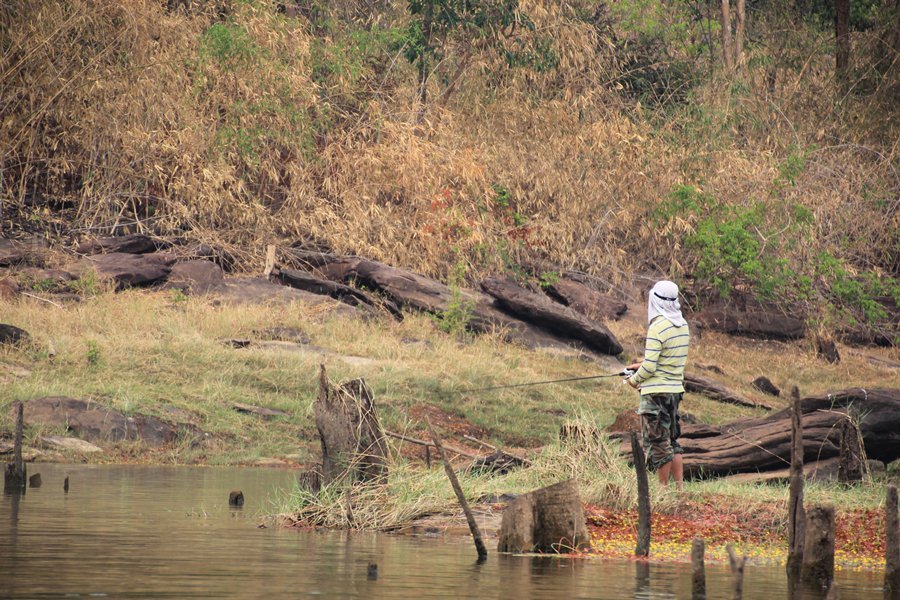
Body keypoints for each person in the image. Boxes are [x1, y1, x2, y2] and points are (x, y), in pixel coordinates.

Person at [625, 280, 690, 489]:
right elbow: (666, 359)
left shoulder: (658, 327)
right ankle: (679, 489)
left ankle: (663, 490)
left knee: (658, 443)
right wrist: (638, 364)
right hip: (674, 392)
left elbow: (651, 368)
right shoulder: (682, 325)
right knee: (672, 441)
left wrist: (633, 381)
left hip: (655, 394)